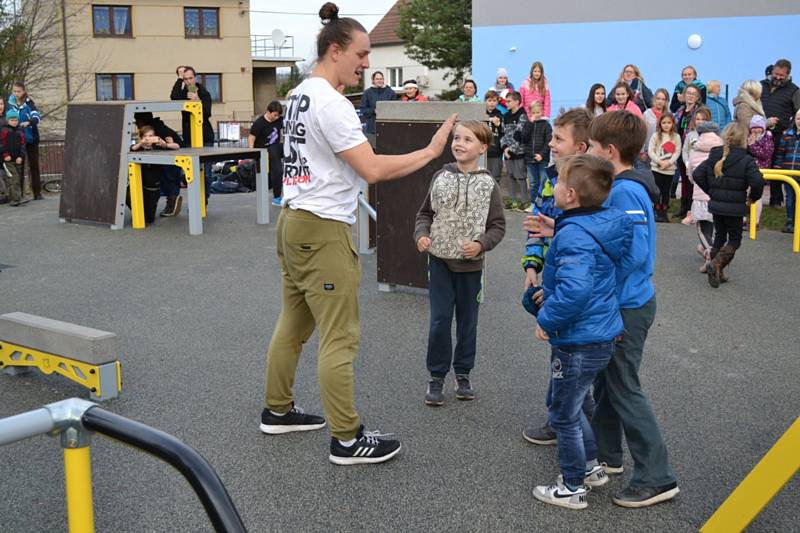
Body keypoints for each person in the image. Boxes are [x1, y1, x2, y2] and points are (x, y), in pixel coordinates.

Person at [260, 2, 456, 466]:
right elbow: (369, 168)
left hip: (293, 221)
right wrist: (430, 151)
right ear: (335, 50)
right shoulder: (330, 102)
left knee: (294, 321)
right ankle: (347, 439)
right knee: (340, 336)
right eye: (362, 54)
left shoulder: (300, 94)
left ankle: (278, 409)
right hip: (322, 228)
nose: (367, 64)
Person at [584, 110, 679, 507]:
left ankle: (657, 476)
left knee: (624, 387)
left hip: (626, 306)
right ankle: (608, 456)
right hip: (620, 303)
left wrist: (595, 281)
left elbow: (634, 253)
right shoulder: (621, 186)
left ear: (609, 151)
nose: (586, 152)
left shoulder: (625, 192)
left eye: (590, 147)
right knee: (606, 383)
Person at [528, 154, 633, 510]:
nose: (553, 187)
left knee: (563, 414)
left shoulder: (574, 233)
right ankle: (589, 468)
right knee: (577, 405)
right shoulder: (600, 223)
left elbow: (575, 289)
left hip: (578, 338)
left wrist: (547, 319)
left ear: (570, 195)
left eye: (557, 183)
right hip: (599, 332)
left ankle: (572, 485)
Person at [414, 120, 506, 405]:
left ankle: (463, 373)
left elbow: (498, 226)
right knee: (440, 320)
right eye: (456, 138)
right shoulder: (440, 177)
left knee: (468, 323)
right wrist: (421, 235)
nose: (459, 144)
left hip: (471, 267)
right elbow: (424, 214)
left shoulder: (489, 183)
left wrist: (481, 244)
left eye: (467, 139)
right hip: (440, 261)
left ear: (482, 147)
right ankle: (436, 376)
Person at [521, 107, 595, 446]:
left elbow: (586, 236)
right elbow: (537, 226)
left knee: (573, 358)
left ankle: (583, 436)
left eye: (558, 139)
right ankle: (561, 421)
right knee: (561, 353)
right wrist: (532, 266)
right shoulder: (551, 180)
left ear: (581, 148)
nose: (551, 144)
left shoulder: (592, 187)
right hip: (551, 279)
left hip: (574, 285)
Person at [693, 124, 764, 288]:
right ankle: (718, 263)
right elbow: (758, 181)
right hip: (735, 206)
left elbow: (697, 174)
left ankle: (718, 270)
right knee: (735, 240)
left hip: (717, 204)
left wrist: (711, 191)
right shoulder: (746, 159)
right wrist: (752, 198)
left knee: (719, 236)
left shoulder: (714, 155)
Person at [171, 66, 215, 203]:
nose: (189, 81)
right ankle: (196, 201)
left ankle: (204, 200)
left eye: (190, 78)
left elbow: (207, 113)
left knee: (206, 173)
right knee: (192, 173)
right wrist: (179, 79)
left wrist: (197, 102)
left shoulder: (203, 92)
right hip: (190, 137)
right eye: (185, 79)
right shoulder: (183, 93)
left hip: (205, 137)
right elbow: (173, 96)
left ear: (195, 78)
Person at [761, 59, 800, 207]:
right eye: (776, 74)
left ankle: (776, 200)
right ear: (772, 71)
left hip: (780, 135)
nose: (778, 77)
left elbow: (798, 112)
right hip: (761, 133)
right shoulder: (761, 85)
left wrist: (788, 129)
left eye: (781, 75)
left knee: (777, 167)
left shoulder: (794, 90)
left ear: (788, 74)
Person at [687, 121, 723, 273]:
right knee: (715, 228)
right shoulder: (722, 152)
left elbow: (691, 176)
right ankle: (709, 250)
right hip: (718, 196)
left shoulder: (694, 152)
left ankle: (712, 257)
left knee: (703, 230)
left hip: (701, 196)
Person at [134, 112, 186, 217]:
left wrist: (165, 144)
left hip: (173, 154)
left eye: (137, 122)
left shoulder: (158, 128)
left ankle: (172, 200)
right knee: (165, 176)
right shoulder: (157, 126)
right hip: (168, 154)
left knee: (168, 176)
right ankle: (172, 198)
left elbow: (171, 141)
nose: (137, 125)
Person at [128, 125, 180, 224]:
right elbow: (132, 149)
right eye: (146, 136)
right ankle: (137, 212)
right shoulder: (138, 147)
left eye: (151, 136)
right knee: (128, 194)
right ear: (141, 137)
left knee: (149, 219)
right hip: (139, 186)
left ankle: (143, 213)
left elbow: (177, 146)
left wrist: (165, 144)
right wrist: (141, 143)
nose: (148, 138)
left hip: (153, 188)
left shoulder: (157, 147)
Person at [674, 85, 704, 218]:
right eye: (688, 93)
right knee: (684, 179)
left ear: (697, 97)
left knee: (692, 179)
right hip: (680, 147)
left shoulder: (700, 111)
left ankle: (691, 209)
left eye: (693, 94)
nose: (690, 96)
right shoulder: (680, 110)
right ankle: (683, 207)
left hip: (693, 148)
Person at [8, 82, 42, 200]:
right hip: (17, 139)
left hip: (31, 138)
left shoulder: (29, 102)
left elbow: (36, 117)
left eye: (19, 91)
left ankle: (37, 193)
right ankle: (19, 194)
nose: (16, 94)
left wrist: (29, 122)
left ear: (23, 91)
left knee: (34, 165)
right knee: (19, 167)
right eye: (14, 91)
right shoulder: (10, 104)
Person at [249, 101, 285, 207]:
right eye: (275, 115)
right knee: (277, 170)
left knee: (288, 146)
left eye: (278, 115)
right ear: (268, 112)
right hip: (263, 150)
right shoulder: (259, 123)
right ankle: (277, 197)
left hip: (275, 148)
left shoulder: (279, 120)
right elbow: (251, 137)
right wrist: (251, 153)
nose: (277, 117)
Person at [648, 112, 681, 223]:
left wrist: (669, 162)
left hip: (669, 170)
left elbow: (677, 152)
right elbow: (651, 151)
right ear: (660, 124)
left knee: (666, 191)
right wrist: (659, 161)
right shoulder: (656, 136)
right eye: (664, 123)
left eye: (669, 123)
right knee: (657, 190)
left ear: (673, 124)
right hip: (657, 169)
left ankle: (664, 212)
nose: (666, 125)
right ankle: (656, 211)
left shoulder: (676, 137)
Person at [520, 100, 552, 209]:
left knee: (542, 182)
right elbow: (524, 138)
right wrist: (530, 123)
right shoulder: (528, 124)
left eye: (538, 112)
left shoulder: (546, 125)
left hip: (542, 159)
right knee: (533, 183)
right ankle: (533, 203)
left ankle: (542, 204)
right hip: (530, 159)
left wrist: (542, 155)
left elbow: (548, 142)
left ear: (542, 112)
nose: (536, 115)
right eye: (533, 113)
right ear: (530, 113)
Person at [500, 91, 529, 209]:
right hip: (507, 154)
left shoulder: (522, 115)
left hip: (518, 153)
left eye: (509, 101)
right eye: (506, 101)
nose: (506, 103)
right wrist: (505, 148)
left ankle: (524, 201)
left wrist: (511, 150)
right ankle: (513, 201)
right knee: (510, 176)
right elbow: (503, 133)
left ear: (517, 102)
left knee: (520, 177)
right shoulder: (506, 116)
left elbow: (519, 134)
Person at [773, 109, 800, 233]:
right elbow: (780, 153)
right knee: (790, 198)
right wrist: (778, 166)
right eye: (798, 118)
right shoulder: (787, 135)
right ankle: (790, 221)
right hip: (788, 172)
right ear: (795, 120)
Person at [747, 115, 774, 225]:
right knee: (746, 194)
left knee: (757, 196)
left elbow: (765, 154)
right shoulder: (748, 137)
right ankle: (744, 218)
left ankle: (755, 221)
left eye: (758, 127)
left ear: (763, 128)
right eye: (753, 127)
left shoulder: (767, 137)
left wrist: (752, 146)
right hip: (748, 170)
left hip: (761, 171)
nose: (756, 130)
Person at [1, 109, 26, 206]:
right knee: (13, 178)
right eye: (12, 120)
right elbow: (1, 144)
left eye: (15, 120)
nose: (14, 122)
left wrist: (20, 156)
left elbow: (23, 145)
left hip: (18, 159)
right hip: (8, 160)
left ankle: (17, 197)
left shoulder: (20, 131)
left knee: (18, 178)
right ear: (8, 120)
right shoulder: (4, 130)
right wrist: (5, 155)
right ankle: (15, 199)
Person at [359, 71, 397, 137]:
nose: (379, 81)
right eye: (377, 79)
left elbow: (395, 109)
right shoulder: (367, 93)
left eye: (381, 79)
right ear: (373, 80)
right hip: (372, 128)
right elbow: (363, 110)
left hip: (388, 128)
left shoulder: (390, 92)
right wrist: (374, 110)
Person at [642, 88, 670, 171]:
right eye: (658, 98)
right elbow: (643, 133)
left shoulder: (668, 115)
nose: (660, 101)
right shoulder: (647, 114)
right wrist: (642, 151)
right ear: (654, 99)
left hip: (664, 154)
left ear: (666, 101)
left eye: (663, 99)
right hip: (648, 152)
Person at [485, 90, 503, 182]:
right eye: (489, 100)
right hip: (483, 151)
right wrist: (490, 119)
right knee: (483, 176)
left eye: (494, 101)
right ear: (485, 101)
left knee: (495, 177)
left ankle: (496, 196)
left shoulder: (500, 115)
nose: (492, 103)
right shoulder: (482, 114)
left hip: (496, 151)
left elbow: (503, 132)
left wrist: (499, 125)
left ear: (497, 102)